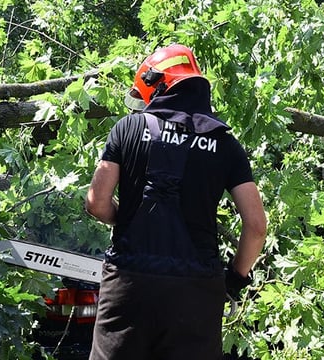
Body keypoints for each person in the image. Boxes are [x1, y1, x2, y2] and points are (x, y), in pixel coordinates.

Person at [84, 44, 267, 360]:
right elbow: (256, 226)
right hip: (196, 291)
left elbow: (96, 203)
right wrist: (234, 280)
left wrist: (125, 216)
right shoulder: (226, 145)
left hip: (129, 282)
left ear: (157, 84)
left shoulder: (127, 128)